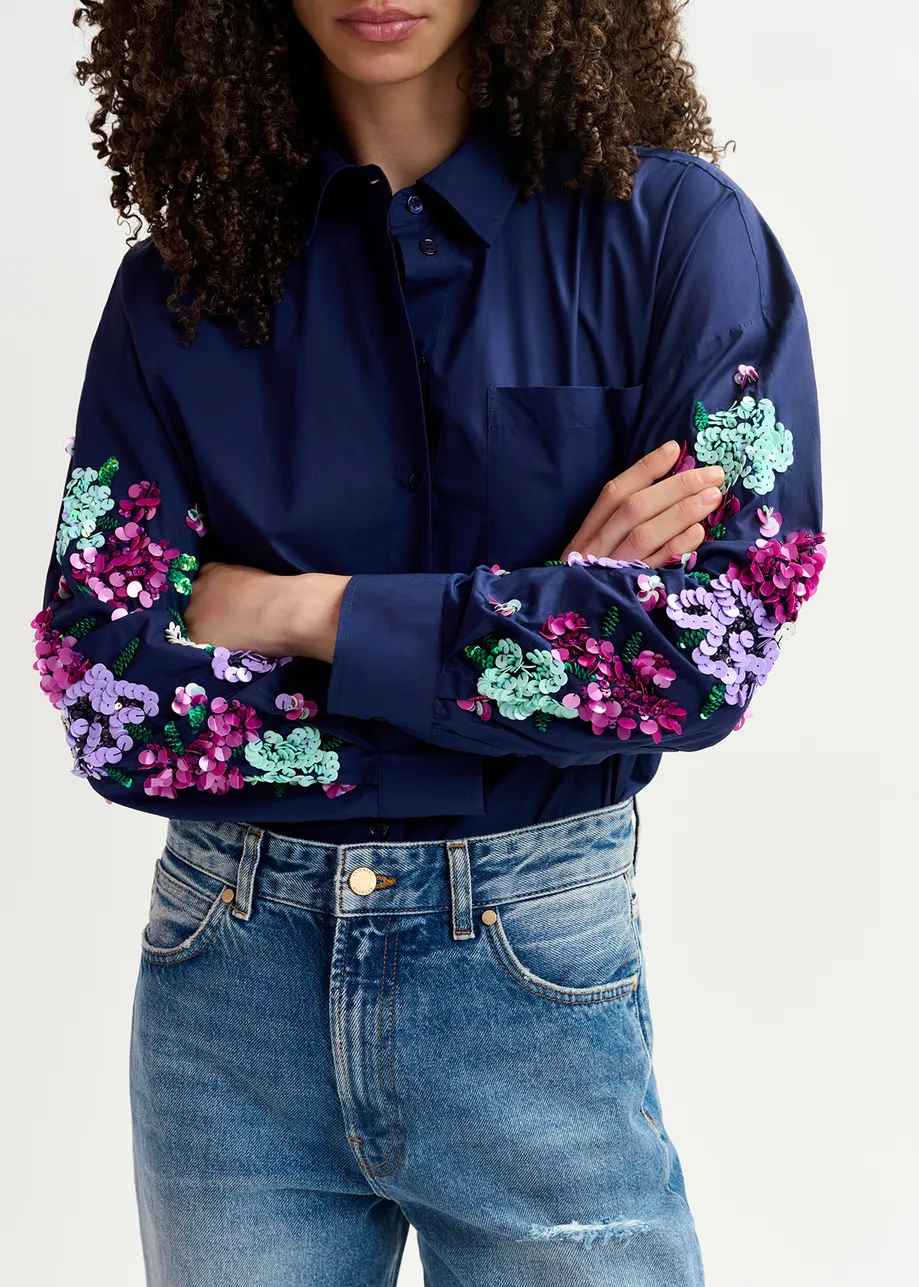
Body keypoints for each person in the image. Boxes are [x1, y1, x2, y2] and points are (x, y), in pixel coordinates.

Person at [33, 0, 826, 1283]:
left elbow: (709, 646)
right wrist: (539, 628)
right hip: (226, 989)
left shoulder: (673, 235)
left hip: (530, 967)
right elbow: (105, 694)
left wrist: (298, 610)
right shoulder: (175, 289)